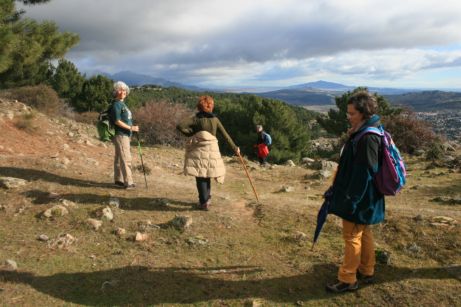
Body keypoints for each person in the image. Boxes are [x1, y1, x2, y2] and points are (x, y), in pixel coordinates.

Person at [325, 90, 384, 293]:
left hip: (360, 197)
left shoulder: (367, 138)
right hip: (368, 196)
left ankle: (348, 279)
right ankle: (367, 270)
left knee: (351, 236)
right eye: (348, 113)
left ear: (364, 113)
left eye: (352, 114)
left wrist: (351, 198)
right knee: (363, 231)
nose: (348, 117)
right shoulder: (369, 130)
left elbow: (364, 171)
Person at [176, 95, 240, 210]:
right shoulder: (215, 120)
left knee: (200, 176)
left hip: (198, 150)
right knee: (208, 173)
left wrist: (191, 133)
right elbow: (225, 135)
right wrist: (235, 148)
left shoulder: (196, 118)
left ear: (199, 106)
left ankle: (203, 202)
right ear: (211, 107)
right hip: (212, 151)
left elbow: (180, 126)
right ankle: (206, 200)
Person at [111, 81, 139, 190]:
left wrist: (132, 128)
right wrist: (131, 128)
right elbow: (117, 121)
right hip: (121, 135)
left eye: (124, 90)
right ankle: (129, 182)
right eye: (120, 89)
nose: (123, 92)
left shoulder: (122, 104)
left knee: (119, 157)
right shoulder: (116, 104)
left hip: (124, 134)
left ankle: (119, 180)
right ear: (115, 91)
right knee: (125, 158)